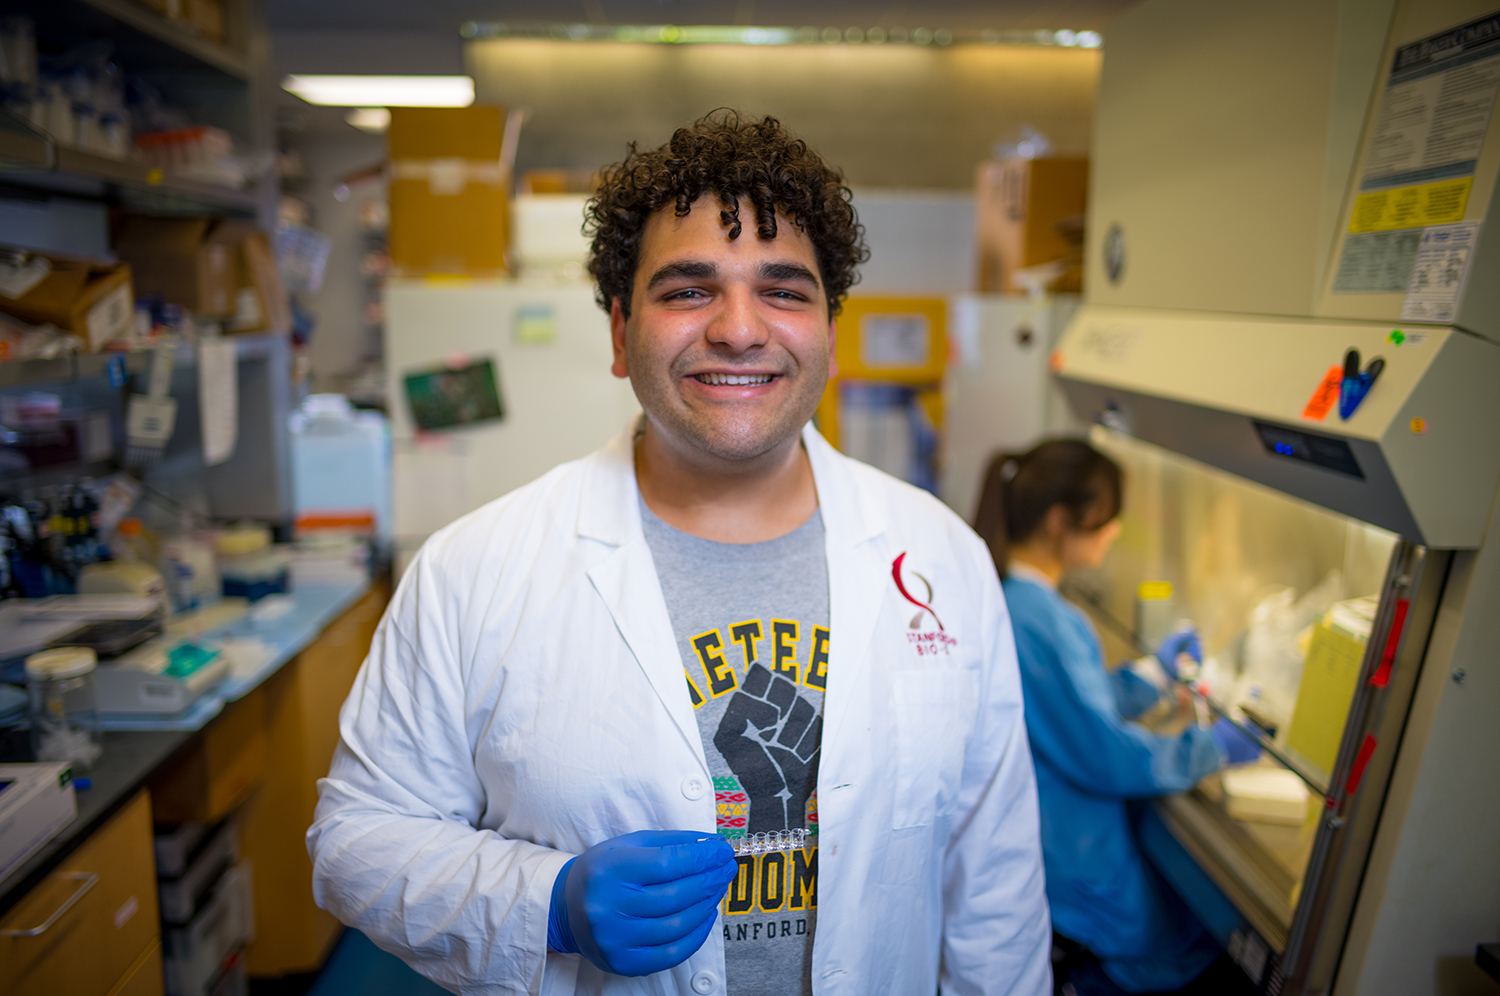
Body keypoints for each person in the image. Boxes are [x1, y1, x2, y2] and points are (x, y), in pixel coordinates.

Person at [308, 111, 1052, 996]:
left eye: (783, 290)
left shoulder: (941, 560)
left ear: (830, 332)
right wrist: (546, 901)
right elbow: (356, 838)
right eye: (688, 290)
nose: (739, 329)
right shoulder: (475, 570)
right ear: (621, 334)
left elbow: (996, 881)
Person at [972, 440, 1260, 996]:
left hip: (1049, 837)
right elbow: (1105, 752)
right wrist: (1212, 746)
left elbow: (1068, 708)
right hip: (1070, 857)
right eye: (1106, 519)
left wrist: (1152, 677)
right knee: (1179, 948)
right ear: (1061, 522)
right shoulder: (1045, 619)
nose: (1114, 532)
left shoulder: (1015, 598)